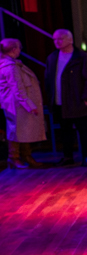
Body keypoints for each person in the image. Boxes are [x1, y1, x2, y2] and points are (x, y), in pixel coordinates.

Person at [44, 29, 87, 167]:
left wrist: (86, 98)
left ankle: (86, 156)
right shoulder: (52, 57)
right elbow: (48, 79)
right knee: (65, 130)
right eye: (55, 39)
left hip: (77, 100)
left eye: (60, 39)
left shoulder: (80, 57)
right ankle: (68, 156)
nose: (57, 42)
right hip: (59, 101)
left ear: (70, 39)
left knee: (83, 129)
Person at [0, 38, 46, 169]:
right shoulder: (10, 67)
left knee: (23, 130)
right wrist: (30, 105)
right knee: (16, 130)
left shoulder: (11, 64)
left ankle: (26, 156)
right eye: (19, 48)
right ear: (14, 49)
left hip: (16, 103)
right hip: (15, 104)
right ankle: (14, 157)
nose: (20, 51)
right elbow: (18, 88)